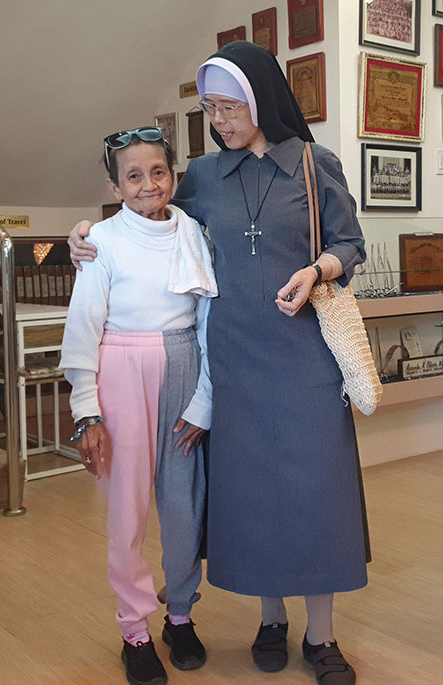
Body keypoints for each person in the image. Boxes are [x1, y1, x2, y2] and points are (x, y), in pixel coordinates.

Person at [69, 42, 370, 685]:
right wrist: (82, 236)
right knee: (254, 495)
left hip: (308, 357)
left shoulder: (318, 165)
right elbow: (147, 216)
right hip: (234, 363)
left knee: (318, 493)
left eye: (230, 106)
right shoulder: (202, 174)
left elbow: (352, 242)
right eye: (210, 109)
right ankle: (270, 621)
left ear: (261, 97)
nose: (220, 120)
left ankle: (322, 638)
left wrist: (318, 268)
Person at [59, 126, 216, 685]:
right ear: (115, 184)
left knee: (184, 505)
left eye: (158, 172)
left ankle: (179, 614)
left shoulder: (193, 231)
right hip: (120, 369)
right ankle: (134, 629)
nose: (148, 184)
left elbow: (207, 322)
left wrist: (204, 401)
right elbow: (83, 328)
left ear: (172, 175)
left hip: (184, 369)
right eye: (133, 175)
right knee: (127, 509)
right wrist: (88, 412)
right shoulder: (100, 240)